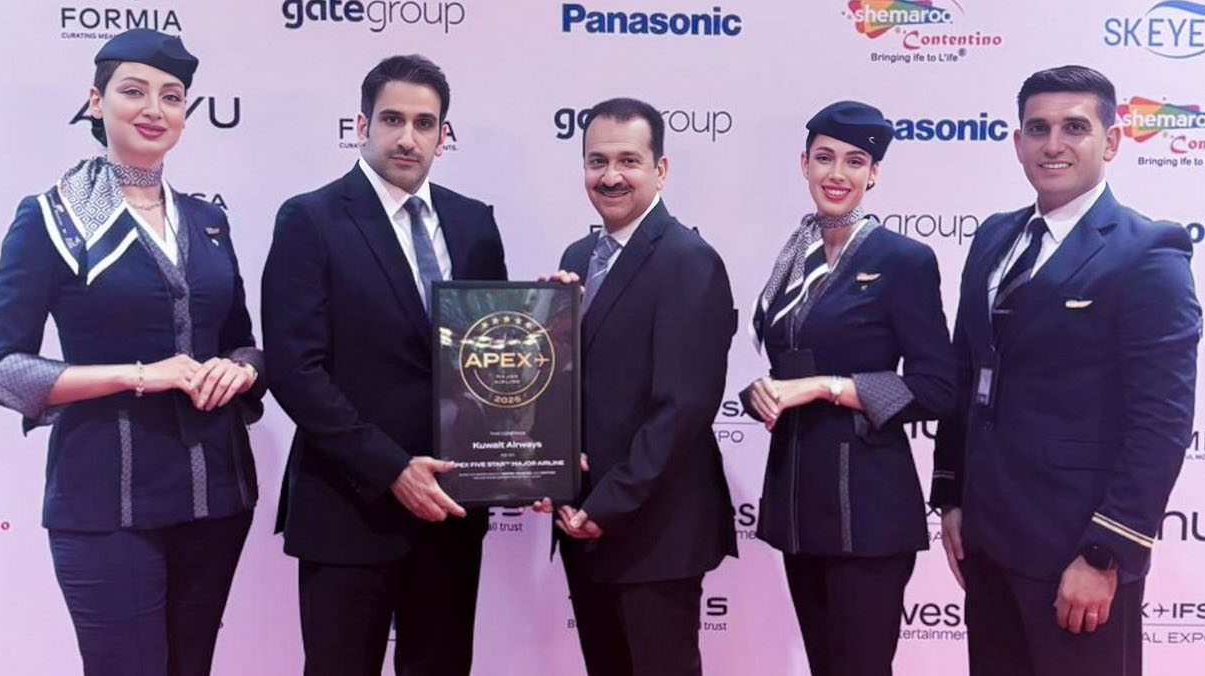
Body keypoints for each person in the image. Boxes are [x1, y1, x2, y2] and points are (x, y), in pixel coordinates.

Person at [0, 29, 264, 676]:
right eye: (134, 91)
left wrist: (240, 368)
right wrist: (139, 375)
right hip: (105, 501)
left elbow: (244, 342)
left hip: (216, 497)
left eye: (172, 96)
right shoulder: (51, 219)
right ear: (96, 102)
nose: (154, 109)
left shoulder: (208, 221)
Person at [930, 65, 1201, 676]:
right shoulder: (993, 238)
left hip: (1076, 551)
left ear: (1111, 141)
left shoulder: (1147, 252)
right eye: (1038, 128)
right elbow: (966, 373)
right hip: (987, 543)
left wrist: (1107, 552)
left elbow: (1161, 420)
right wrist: (951, 495)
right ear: (1018, 142)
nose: (1053, 144)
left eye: (1074, 127)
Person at [261, 54, 507, 676]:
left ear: (443, 135)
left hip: (451, 509)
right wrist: (392, 468)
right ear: (361, 125)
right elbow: (295, 369)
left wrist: (549, 319)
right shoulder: (310, 219)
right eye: (392, 119)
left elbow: (491, 356)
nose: (407, 138)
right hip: (349, 506)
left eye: (425, 124)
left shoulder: (474, 223)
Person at [739, 101, 955, 676]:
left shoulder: (903, 260)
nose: (837, 174)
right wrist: (763, 392)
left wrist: (825, 387)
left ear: (873, 174)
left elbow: (937, 388)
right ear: (804, 164)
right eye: (825, 158)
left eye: (854, 161)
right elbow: (791, 365)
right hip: (797, 503)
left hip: (868, 510)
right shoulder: (794, 256)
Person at [533, 97, 737, 676]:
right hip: (584, 523)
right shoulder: (578, 257)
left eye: (628, 160)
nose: (611, 176)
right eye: (597, 161)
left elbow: (683, 407)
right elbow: (568, 385)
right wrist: (547, 324)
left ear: (660, 169)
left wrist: (607, 504)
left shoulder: (689, 261)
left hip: (654, 531)